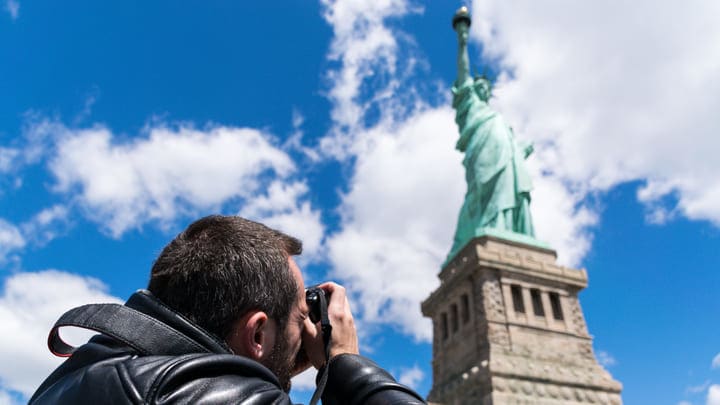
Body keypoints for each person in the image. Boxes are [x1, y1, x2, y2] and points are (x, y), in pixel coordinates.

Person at [30, 215, 425, 404]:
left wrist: (276, 362)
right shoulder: (211, 394)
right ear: (256, 333)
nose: (304, 336)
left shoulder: (69, 382)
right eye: (300, 319)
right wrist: (344, 365)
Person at [446, 8, 535, 261]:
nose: (483, 88)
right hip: (481, 150)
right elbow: (463, 71)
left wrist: (520, 151)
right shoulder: (469, 104)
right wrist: (462, 39)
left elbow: (513, 148)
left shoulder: (498, 118)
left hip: (506, 155)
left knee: (509, 190)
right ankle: (481, 230)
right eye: (479, 86)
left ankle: (507, 230)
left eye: (486, 87)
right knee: (482, 191)